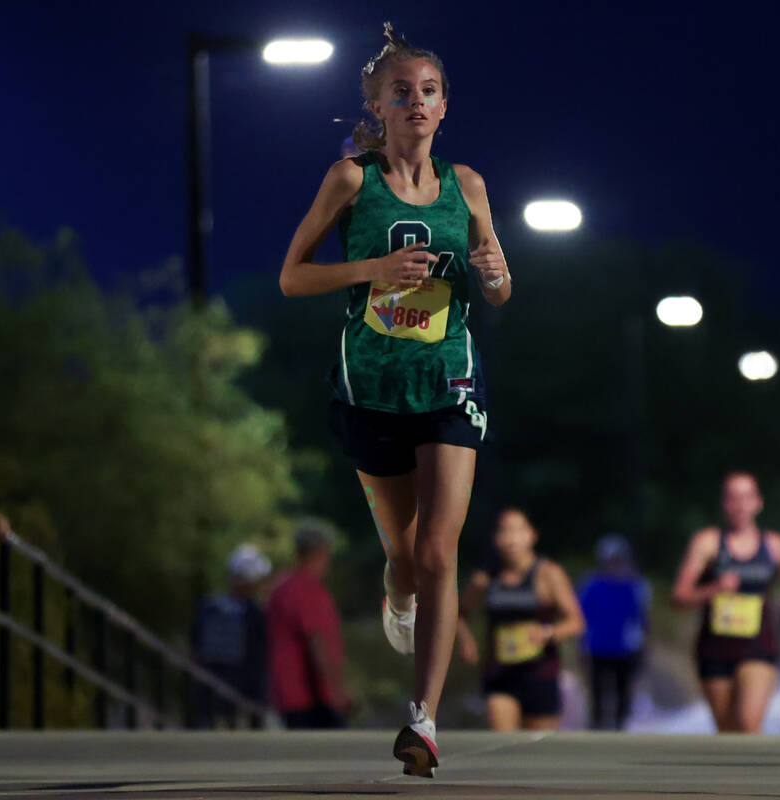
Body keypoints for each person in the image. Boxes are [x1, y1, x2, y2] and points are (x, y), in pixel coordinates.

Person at [278, 23, 511, 778]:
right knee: (407, 557)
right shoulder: (351, 181)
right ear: (377, 106)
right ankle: (395, 587)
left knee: (441, 551)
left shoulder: (468, 184)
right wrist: (371, 269)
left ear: (445, 107)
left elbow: (501, 288)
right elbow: (292, 277)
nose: (417, 102)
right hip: (372, 388)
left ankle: (424, 721)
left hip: (449, 381)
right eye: (401, 92)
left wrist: (494, 272)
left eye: (429, 91)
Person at [671, 472, 780, 734]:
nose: (740, 505)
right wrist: (713, 588)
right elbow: (679, 596)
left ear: (759, 503)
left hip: (759, 647)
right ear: (724, 504)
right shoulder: (707, 543)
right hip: (715, 649)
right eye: (733, 498)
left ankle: (753, 774)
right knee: (726, 730)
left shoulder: (775, 545)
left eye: (747, 497)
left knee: (748, 723)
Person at [456, 509, 585, 731]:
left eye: (518, 530)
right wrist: (466, 641)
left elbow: (576, 622)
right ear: (496, 538)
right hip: (500, 675)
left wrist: (548, 633)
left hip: (540, 674)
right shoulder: (485, 578)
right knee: (504, 742)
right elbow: (458, 614)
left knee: (535, 752)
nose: (511, 537)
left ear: (532, 535)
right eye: (505, 530)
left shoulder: (549, 574)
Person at [266, 524, 350, 729]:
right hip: (312, 697)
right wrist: (335, 690)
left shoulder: (280, 586)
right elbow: (317, 642)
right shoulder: (307, 588)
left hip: (286, 694)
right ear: (321, 552)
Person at [189, 543, 271, 727]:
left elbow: (194, 650)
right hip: (243, 697)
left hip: (208, 693)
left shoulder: (208, 607)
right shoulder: (255, 614)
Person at [577, 534, 651, 730]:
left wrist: (645, 648)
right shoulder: (591, 585)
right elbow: (582, 619)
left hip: (626, 649)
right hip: (598, 648)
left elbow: (642, 619)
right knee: (598, 693)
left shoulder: (635, 585)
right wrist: (581, 647)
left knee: (624, 693)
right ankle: (596, 728)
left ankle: (620, 729)